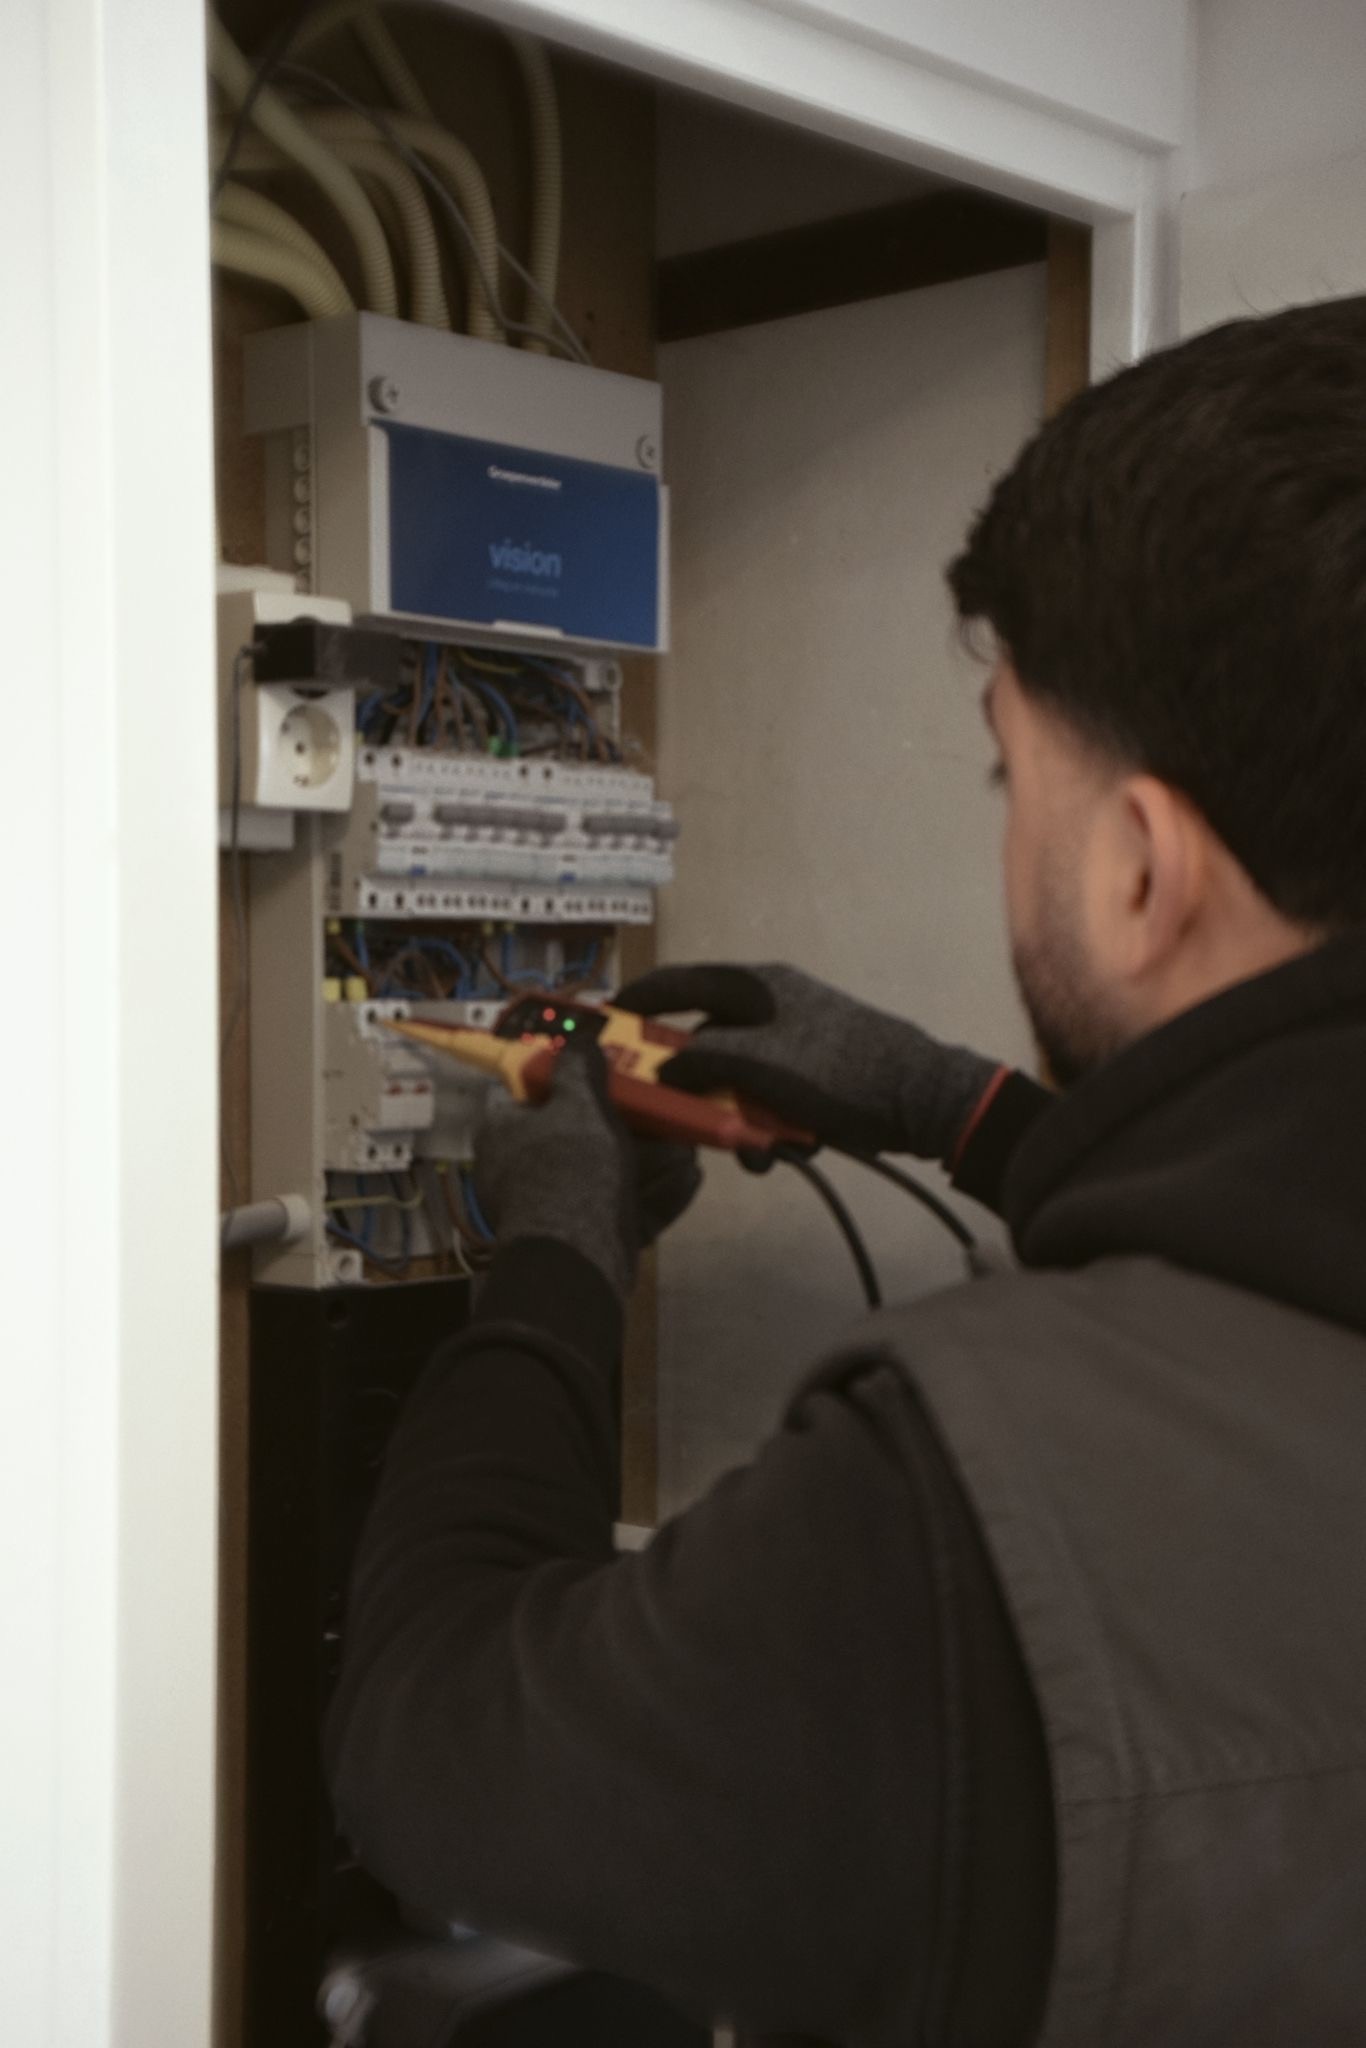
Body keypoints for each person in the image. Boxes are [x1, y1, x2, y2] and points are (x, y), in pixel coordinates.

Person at [325, 297, 1366, 2046]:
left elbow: (431, 1747)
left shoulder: (978, 1505)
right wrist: (963, 1112)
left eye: (1006, 777)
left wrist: (554, 1259)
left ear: (1137, 864)